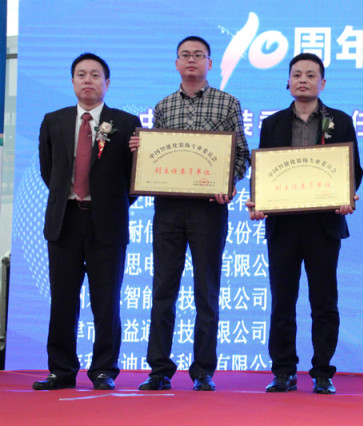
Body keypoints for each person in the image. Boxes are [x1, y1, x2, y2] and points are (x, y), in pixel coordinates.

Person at [132, 36, 250, 391]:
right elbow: (157, 158)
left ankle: (203, 370)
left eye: (199, 55)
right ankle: (159, 369)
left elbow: (240, 155)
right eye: (185, 55)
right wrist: (140, 151)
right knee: (163, 289)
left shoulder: (227, 103)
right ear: (176, 63)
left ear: (209, 63)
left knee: (207, 291)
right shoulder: (163, 106)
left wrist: (228, 182)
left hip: (208, 209)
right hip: (168, 209)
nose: (191, 60)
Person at [246, 53, 363, 394]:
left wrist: (346, 195)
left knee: (324, 302)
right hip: (283, 225)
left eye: (311, 75)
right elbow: (264, 171)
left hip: (324, 225)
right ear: (288, 82)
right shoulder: (272, 124)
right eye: (297, 74)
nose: (303, 80)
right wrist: (259, 200)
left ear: (322, 83)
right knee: (282, 300)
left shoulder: (340, 121)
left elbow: (353, 169)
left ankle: (323, 372)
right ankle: (283, 371)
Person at [34, 53, 141, 391]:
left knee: (105, 301)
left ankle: (103, 369)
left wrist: (109, 203)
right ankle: (61, 370)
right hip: (64, 220)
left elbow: (134, 178)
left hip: (106, 222)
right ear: (72, 82)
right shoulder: (54, 121)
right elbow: (49, 170)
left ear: (107, 83)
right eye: (81, 74)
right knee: (63, 299)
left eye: (95, 75)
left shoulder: (126, 122)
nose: (88, 80)